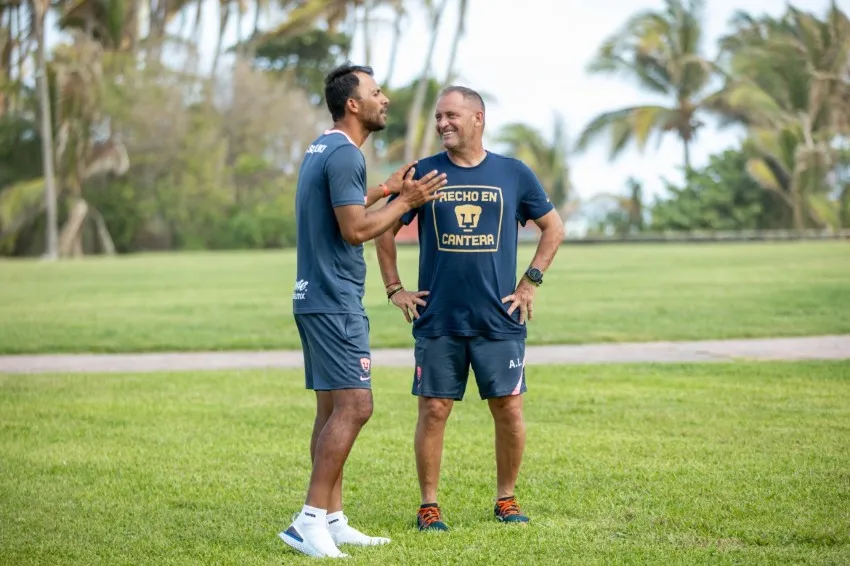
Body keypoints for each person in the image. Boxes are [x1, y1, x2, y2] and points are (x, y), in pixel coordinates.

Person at [375, 86, 564, 531]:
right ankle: (428, 506)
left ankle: (507, 499)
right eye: (439, 116)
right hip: (438, 318)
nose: (442, 123)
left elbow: (553, 228)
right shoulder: (423, 174)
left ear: (478, 118)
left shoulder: (513, 173)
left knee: (509, 408)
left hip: (499, 319)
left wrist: (530, 282)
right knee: (434, 409)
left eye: (452, 116)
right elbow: (382, 231)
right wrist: (395, 289)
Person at [279, 63, 447, 559]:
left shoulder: (323, 147)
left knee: (332, 409)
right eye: (375, 92)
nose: (385, 99)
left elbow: (339, 203)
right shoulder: (346, 156)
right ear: (352, 104)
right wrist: (408, 200)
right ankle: (308, 520)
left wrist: (384, 191)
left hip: (314, 297)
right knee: (357, 406)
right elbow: (354, 230)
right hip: (334, 302)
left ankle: (330, 518)